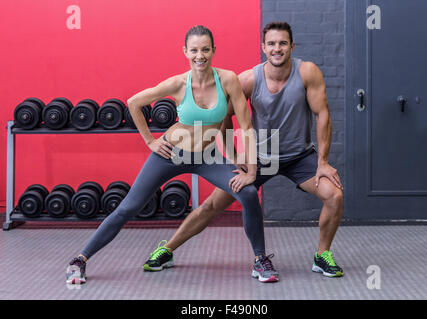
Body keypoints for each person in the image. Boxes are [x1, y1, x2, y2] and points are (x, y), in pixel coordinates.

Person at [65, 25, 279, 285]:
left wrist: (252, 170)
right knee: (129, 207)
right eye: (194, 50)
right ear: (185, 52)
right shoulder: (177, 84)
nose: (200, 56)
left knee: (247, 192)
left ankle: (260, 260)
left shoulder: (228, 80)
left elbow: (245, 126)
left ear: (213, 50)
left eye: (205, 50)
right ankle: (80, 259)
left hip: (207, 156)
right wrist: (150, 141)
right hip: (171, 154)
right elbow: (134, 103)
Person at [150, 22, 345, 278]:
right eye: (272, 44)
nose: (277, 49)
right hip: (261, 157)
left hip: (298, 155)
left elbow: (322, 116)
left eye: (283, 43)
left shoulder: (308, 72)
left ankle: (322, 256)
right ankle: (167, 250)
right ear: (263, 47)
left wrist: (322, 162)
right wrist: (235, 156)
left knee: (335, 196)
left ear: (291, 46)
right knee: (212, 206)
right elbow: (222, 118)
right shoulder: (248, 79)